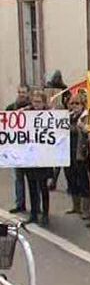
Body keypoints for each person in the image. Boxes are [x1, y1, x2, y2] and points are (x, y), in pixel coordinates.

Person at [22, 90, 53, 227]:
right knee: (32, 186)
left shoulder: (50, 115)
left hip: (44, 157)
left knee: (43, 187)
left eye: (39, 102)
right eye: (34, 101)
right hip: (31, 157)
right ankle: (34, 213)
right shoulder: (27, 114)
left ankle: (45, 214)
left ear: (44, 102)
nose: (36, 104)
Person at [7, 85, 30, 214]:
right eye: (20, 92)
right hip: (17, 149)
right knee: (18, 178)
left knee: (33, 181)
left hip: (31, 150)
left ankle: (36, 206)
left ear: (28, 94)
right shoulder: (11, 108)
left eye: (24, 92)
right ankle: (20, 204)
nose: (22, 94)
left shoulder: (33, 109)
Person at [64, 95, 86, 215]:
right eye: (72, 103)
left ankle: (84, 208)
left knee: (81, 181)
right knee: (71, 180)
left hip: (80, 154)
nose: (74, 106)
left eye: (77, 103)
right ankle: (75, 206)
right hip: (68, 154)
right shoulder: (67, 117)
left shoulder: (85, 117)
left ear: (82, 105)